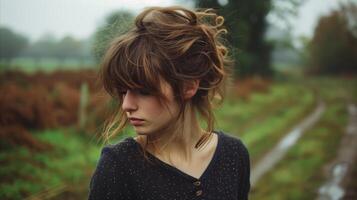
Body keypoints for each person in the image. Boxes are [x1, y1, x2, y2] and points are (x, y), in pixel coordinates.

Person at [88, 6, 250, 200]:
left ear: (188, 87)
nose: (126, 105)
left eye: (144, 91)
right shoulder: (119, 166)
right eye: (123, 92)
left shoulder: (233, 155)